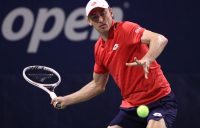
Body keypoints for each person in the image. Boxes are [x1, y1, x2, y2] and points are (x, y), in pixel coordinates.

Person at [51, 0, 177, 128]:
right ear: (89, 21)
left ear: (110, 12)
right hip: (131, 106)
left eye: (103, 13)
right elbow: (97, 85)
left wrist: (148, 59)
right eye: (94, 17)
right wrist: (66, 100)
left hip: (159, 100)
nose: (100, 19)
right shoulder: (99, 48)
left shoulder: (126, 29)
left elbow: (160, 39)